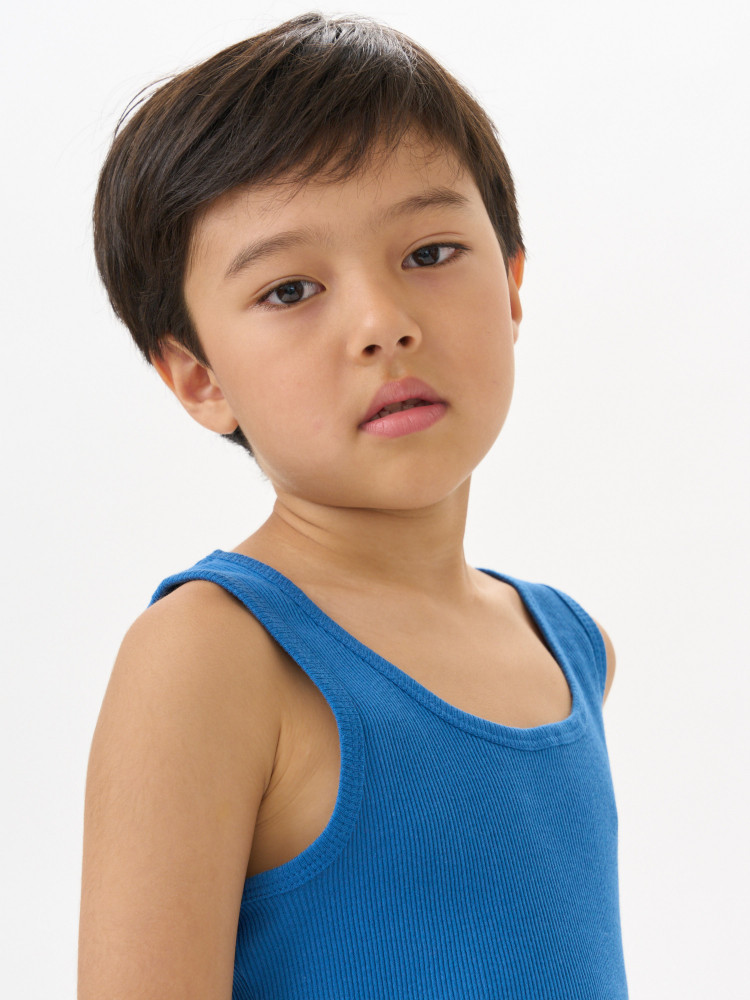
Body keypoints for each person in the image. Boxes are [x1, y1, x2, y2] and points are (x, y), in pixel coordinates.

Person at [78, 12, 628, 999]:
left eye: (429, 253)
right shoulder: (212, 657)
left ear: (512, 282)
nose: (383, 323)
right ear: (200, 377)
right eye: (291, 290)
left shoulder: (570, 646)